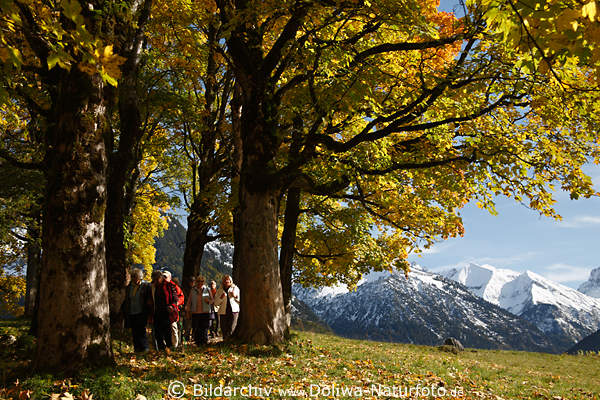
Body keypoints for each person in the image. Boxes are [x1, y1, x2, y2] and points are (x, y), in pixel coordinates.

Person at [122, 268, 153, 352]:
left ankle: (145, 348)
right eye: (133, 278)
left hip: (142, 312)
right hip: (132, 312)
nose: (135, 280)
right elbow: (127, 299)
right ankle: (137, 348)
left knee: (141, 330)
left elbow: (149, 299)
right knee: (134, 332)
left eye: (137, 278)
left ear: (140, 278)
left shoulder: (146, 286)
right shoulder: (129, 287)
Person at [153, 270, 179, 353]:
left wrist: (172, 306)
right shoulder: (152, 286)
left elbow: (175, 299)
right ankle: (161, 350)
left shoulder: (169, 285)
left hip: (167, 313)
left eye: (157, 279)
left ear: (161, 278)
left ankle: (169, 349)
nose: (156, 281)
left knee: (168, 333)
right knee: (158, 334)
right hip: (156, 313)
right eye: (154, 279)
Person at [185, 276, 214, 345]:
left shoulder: (207, 289)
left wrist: (209, 301)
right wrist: (188, 310)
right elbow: (189, 301)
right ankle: (198, 342)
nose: (200, 283)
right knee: (196, 328)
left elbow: (212, 300)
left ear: (204, 282)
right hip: (195, 312)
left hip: (205, 312)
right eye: (198, 281)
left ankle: (204, 342)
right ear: (196, 282)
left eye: (202, 281)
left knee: (204, 328)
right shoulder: (193, 290)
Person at [214, 275, 240, 340]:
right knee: (224, 329)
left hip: (234, 311)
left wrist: (235, 296)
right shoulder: (219, 290)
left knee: (231, 329)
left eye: (228, 280)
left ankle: (230, 343)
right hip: (223, 312)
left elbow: (240, 300)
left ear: (231, 281)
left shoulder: (235, 288)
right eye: (225, 280)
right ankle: (225, 343)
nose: (227, 281)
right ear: (223, 281)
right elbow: (216, 303)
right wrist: (221, 298)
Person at [163, 271, 184, 348]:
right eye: (163, 277)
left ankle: (175, 346)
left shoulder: (174, 286)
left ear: (170, 278)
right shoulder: (159, 286)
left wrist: (175, 305)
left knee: (174, 328)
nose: (164, 279)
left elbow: (181, 297)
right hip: (162, 312)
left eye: (165, 277)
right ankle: (165, 346)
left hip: (173, 312)